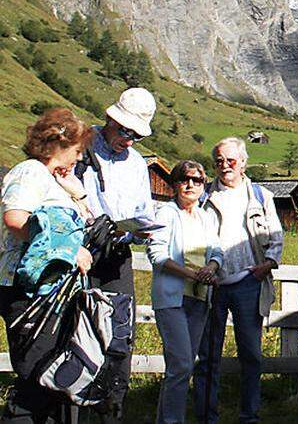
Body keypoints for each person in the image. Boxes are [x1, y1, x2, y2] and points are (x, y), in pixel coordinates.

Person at [0, 108, 95, 423]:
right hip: (27, 290)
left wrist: (75, 191)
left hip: (52, 293)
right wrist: (69, 249)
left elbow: (91, 221)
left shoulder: (55, 180)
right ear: (60, 144)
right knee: (38, 374)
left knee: (54, 376)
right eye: (78, 151)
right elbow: (15, 218)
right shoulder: (30, 172)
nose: (80, 159)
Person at [75, 87, 157, 422]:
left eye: (136, 135)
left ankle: (113, 407)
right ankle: (74, 404)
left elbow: (143, 208)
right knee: (77, 331)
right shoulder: (80, 146)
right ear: (110, 119)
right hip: (79, 253)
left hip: (117, 254)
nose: (130, 140)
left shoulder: (136, 163)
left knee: (120, 333)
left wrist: (139, 229)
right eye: (125, 131)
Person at [193, 138, 283, 424]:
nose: (224, 166)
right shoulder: (204, 196)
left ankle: (249, 416)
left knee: (251, 356)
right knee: (208, 357)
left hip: (248, 283)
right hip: (213, 286)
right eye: (219, 160)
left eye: (231, 160)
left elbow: (276, 237)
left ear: (243, 162)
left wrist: (266, 265)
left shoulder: (260, 196)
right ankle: (207, 417)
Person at [148, 160, 222, 424]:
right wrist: (192, 274)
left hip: (200, 299)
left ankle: (167, 419)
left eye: (197, 180)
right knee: (180, 365)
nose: (190, 185)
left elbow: (217, 251)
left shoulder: (206, 217)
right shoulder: (165, 213)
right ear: (174, 184)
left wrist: (212, 268)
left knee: (184, 366)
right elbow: (157, 255)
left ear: (204, 185)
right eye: (184, 179)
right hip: (172, 299)